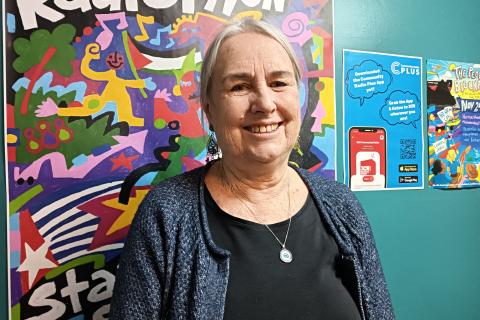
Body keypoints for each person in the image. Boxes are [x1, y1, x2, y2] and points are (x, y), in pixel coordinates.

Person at [110, 19, 394, 320]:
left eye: (279, 83)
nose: (264, 103)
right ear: (210, 110)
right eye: (240, 86)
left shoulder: (341, 204)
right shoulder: (166, 214)